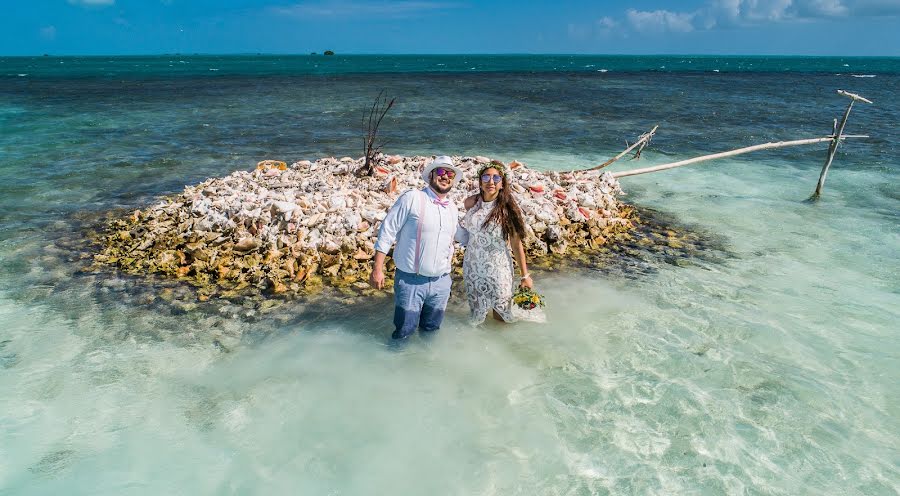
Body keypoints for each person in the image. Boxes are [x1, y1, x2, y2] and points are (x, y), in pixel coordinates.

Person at [370, 155, 464, 340]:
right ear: (431, 176)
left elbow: (461, 236)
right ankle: (396, 363)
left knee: (431, 331)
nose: (445, 176)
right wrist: (377, 269)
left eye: (450, 173)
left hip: (441, 283)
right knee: (404, 332)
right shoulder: (412, 198)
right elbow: (387, 230)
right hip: (411, 281)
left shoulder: (452, 207)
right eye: (441, 171)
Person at [459, 161, 537, 325]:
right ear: (480, 181)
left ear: (502, 183)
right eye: (486, 177)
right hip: (473, 269)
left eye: (496, 178)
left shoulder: (507, 210)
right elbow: (467, 220)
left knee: (501, 317)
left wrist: (525, 276)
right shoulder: (472, 203)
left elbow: (516, 245)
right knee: (476, 317)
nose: (491, 181)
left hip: (498, 270)